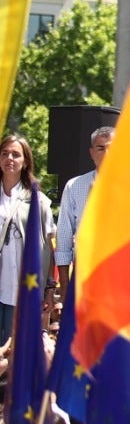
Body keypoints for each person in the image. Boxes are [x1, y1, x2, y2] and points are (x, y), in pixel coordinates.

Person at [0, 135, 53, 342]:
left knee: (16, 354)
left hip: (22, 292)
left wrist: (50, 288)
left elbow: (50, 247)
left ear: (25, 162)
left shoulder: (39, 202)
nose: (9, 158)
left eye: (15, 154)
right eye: (4, 153)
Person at [53, 125, 113, 280]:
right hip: (85, 275)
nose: (107, 153)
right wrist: (65, 285)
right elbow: (64, 238)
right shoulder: (74, 186)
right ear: (91, 153)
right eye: (101, 148)